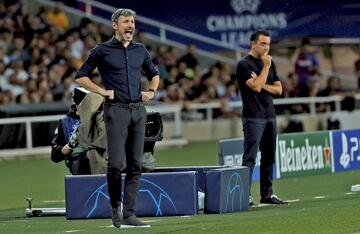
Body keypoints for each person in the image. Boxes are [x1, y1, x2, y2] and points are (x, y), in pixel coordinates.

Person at [74, 8, 159, 228]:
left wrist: (151, 91)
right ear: (115, 25)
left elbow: (154, 74)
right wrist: (102, 92)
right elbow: (80, 76)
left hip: (138, 111)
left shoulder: (140, 49)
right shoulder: (101, 50)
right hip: (116, 110)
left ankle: (129, 214)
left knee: (135, 164)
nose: (130, 25)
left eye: (132, 21)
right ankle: (116, 209)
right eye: (125, 22)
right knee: (115, 164)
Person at [235, 29, 287, 206]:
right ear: (253, 44)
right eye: (263, 44)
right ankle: (245, 196)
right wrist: (265, 68)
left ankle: (267, 194)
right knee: (250, 157)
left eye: (268, 44)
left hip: (270, 116)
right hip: (253, 117)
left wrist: (263, 82)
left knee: (269, 156)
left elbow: (279, 89)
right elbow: (255, 87)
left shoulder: (270, 63)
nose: (266, 48)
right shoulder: (244, 65)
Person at [51, 87, 90, 175]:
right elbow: (54, 155)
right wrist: (63, 150)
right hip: (79, 163)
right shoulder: (65, 122)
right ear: (74, 100)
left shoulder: (99, 118)